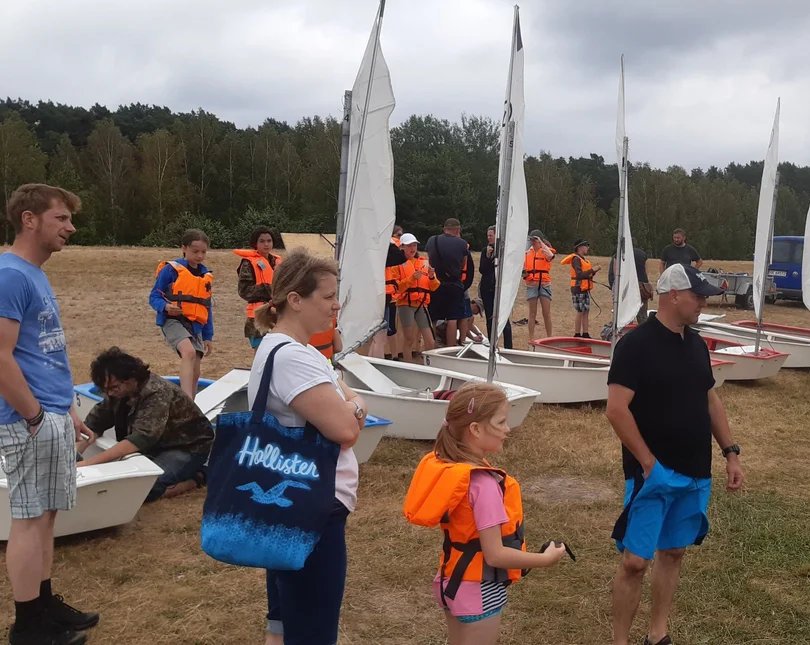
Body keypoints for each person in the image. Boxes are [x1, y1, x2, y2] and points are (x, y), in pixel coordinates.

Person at [606, 263, 745, 645]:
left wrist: (731, 453)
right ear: (673, 295)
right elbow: (616, 409)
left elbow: (710, 399)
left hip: (695, 471)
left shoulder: (697, 345)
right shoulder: (635, 345)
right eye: (697, 296)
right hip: (652, 474)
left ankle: (658, 634)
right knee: (635, 562)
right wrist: (647, 462)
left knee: (674, 552)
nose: (703, 303)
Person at [250, 249, 366, 645]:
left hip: (291, 502)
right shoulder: (293, 359)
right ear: (295, 300)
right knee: (313, 627)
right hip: (312, 505)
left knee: (284, 617)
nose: (336, 305)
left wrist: (349, 404)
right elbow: (346, 430)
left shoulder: (284, 349)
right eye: (328, 296)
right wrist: (357, 406)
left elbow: (343, 400)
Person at [0, 183, 98, 645]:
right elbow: (0, 356)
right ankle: (28, 626)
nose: (70, 227)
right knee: (29, 518)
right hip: (27, 420)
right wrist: (35, 416)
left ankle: (43, 604)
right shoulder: (10, 275)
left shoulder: (34, 274)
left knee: (47, 515)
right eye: (61, 218)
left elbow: (44, 350)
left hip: (50, 414)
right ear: (29, 219)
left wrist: (67, 409)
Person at [403, 382, 569, 644]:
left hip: (450, 580)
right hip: (478, 590)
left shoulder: (451, 467)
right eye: (501, 422)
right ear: (475, 429)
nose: (507, 429)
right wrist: (545, 559)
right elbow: (495, 554)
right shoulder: (484, 484)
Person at [77, 348, 215, 502]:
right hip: (156, 445)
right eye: (105, 389)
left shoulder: (156, 392)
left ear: (132, 377)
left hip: (187, 446)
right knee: (126, 483)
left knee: (143, 489)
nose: (110, 393)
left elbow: (139, 439)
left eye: (114, 387)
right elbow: (95, 423)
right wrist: (75, 453)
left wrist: (87, 463)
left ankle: (198, 477)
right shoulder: (118, 391)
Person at [150, 229, 214, 399]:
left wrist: (208, 336)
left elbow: (206, 307)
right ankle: (186, 399)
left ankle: (191, 402)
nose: (200, 256)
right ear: (184, 248)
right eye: (195, 251)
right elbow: (154, 296)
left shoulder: (205, 276)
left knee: (196, 366)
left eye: (203, 252)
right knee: (189, 352)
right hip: (172, 320)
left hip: (196, 325)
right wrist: (165, 306)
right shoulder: (170, 270)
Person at [235, 226, 282, 350]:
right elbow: (244, 291)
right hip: (258, 316)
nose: (266, 244)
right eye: (262, 241)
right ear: (255, 243)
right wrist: (267, 289)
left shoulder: (278, 262)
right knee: (261, 352)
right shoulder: (248, 263)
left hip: (278, 314)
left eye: (269, 241)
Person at [427, 218, 472, 348]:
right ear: (458, 230)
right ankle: (450, 348)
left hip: (435, 283)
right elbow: (463, 263)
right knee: (453, 318)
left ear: (444, 228)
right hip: (454, 284)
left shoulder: (432, 240)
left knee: (433, 317)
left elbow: (430, 259)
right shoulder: (462, 243)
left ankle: (432, 346)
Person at [394, 233, 438, 359]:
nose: (412, 248)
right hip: (405, 304)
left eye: (414, 245)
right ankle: (408, 365)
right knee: (409, 339)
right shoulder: (397, 264)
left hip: (421, 304)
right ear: (402, 247)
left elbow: (434, 286)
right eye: (409, 246)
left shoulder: (424, 263)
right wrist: (412, 278)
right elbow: (397, 288)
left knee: (430, 341)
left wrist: (431, 277)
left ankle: (430, 365)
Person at [371, 228, 407, 360]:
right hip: (381, 297)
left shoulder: (373, 253)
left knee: (378, 336)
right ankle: (377, 364)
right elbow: (401, 257)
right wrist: (391, 242)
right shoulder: (382, 254)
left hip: (380, 296)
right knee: (380, 336)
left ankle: (371, 362)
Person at [478, 225, 513, 349]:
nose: (489, 238)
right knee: (490, 318)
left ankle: (508, 347)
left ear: (497, 236)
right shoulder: (485, 250)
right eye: (487, 236)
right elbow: (482, 269)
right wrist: (488, 257)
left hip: (500, 288)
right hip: (487, 288)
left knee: (504, 318)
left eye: (491, 235)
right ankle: (492, 345)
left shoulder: (505, 250)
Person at [522, 230, 555, 343]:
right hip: (531, 284)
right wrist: (524, 274)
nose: (532, 241)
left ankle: (549, 338)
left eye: (534, 239)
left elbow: (551, 256)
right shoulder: (527, 253)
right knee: (532, 313)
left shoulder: (546, 251)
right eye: (531, 239)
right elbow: (523, 268)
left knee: (546, 312)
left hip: (544, 284)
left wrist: (541, 243)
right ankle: (531, 338)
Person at [561, 240, 600, 339]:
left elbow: (586, 274)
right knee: (580, 311)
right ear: (579, 248)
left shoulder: (583, 260)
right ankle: (577, 333)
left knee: (586, 311)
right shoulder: (576, 259)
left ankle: (585, 333)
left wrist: (594, 272)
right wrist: (592, 270)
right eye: (586, 246)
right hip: (578, 288)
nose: (587, 248)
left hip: (585, 288)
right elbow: (579, 275)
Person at [610, 246, 653, 325]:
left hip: (627, 284)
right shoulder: (643, 254)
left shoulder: (620, 253)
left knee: (627, 314)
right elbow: (646, 271)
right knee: (642, 315)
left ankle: (628, 330)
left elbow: (616, 271)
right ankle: (643, 329)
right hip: (642, 285)